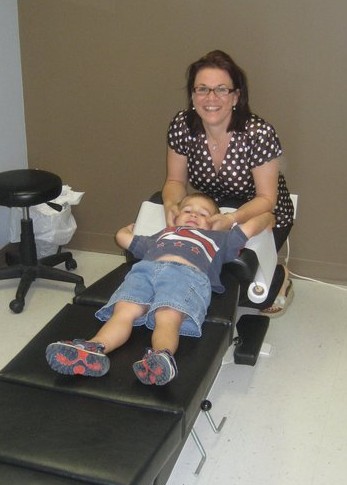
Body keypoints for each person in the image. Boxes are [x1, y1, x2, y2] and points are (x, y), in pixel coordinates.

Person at [46, 193, 274, 385]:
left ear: (214, 221)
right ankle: (94, 348)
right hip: (145, 271)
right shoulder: (162, 234)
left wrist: (235, 219)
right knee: (123, 311)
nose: (194, 214)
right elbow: (127, 240)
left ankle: (160, 357)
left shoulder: (219, 238)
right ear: (175, 216)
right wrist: (125, 231)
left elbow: (260, 220)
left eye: (203, 213)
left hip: (186, 276)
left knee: (167, 316)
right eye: (187, 210)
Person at [162, 49, 294, 317]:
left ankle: (280, 277)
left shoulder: (259, 133)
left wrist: (231, 219)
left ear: (236, 96)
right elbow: (175, 180)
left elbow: (266, 199)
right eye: (202, 89)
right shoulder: (182, 125)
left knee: (240, 288)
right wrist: (171, 205)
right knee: (190, 265)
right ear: (192, 95)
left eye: (221, 89)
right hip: (213, 208)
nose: (211, 98)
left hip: (260, 213)